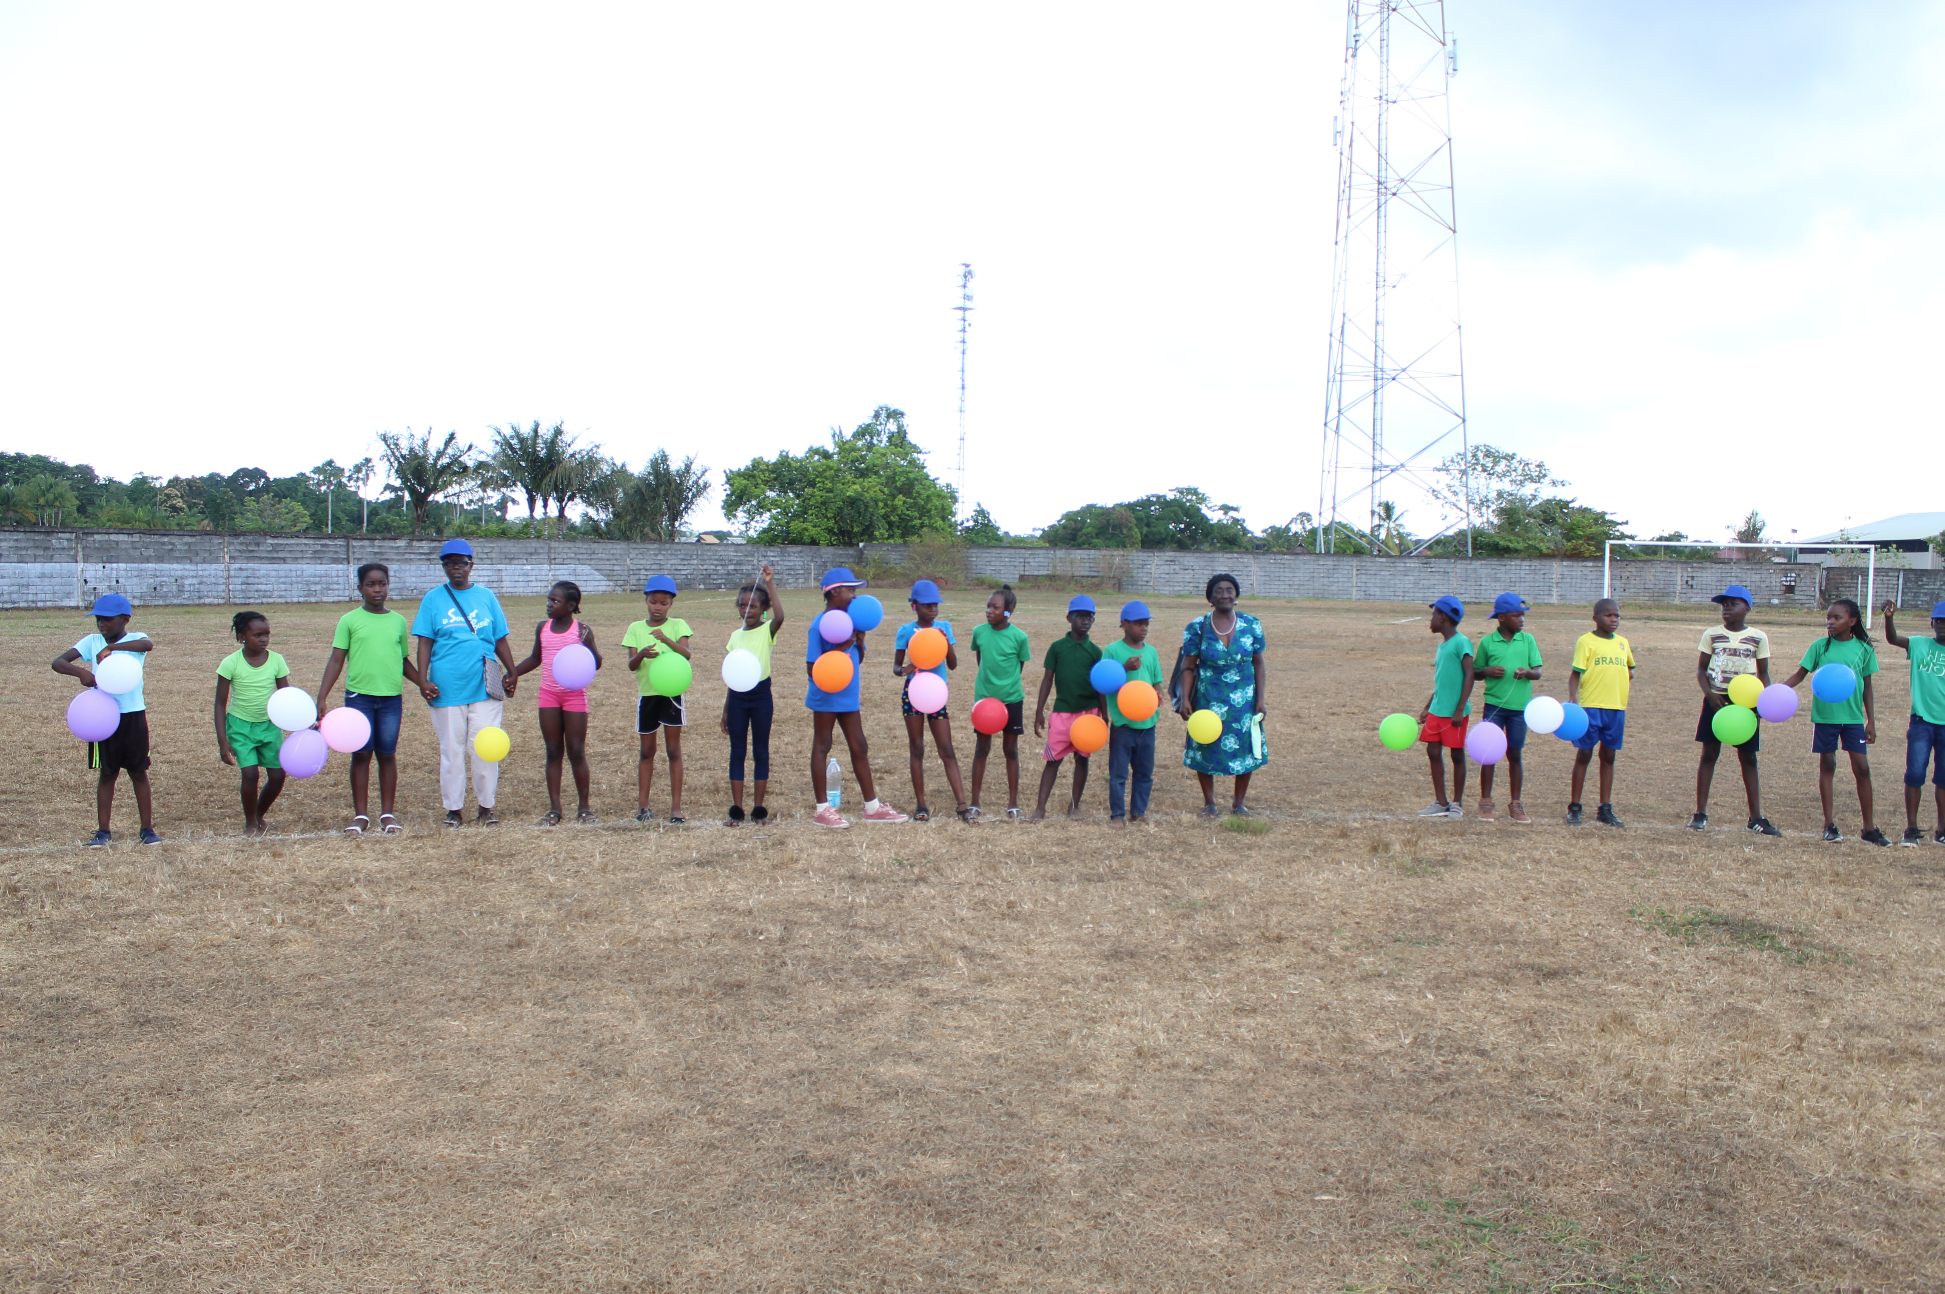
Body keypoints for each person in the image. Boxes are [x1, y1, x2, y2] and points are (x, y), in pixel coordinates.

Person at [411, 538, 518, 829]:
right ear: (443, 567)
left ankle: (486, 807)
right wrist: (423, 679)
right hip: (446, 684)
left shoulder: (486, 597)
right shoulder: (433, 599)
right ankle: (454, 810)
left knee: (484, 747)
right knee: (452, 750)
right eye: (449, 563)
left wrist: (512, 671)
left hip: (484, 684)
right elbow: (424, 641)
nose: (455, 568)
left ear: (471, 565)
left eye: (461, 562)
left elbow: (499, 638)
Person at [51, 593, 160, 846]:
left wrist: (112, 648)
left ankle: (147, 829)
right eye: (98, 618)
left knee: (138, 772)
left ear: (125, 619)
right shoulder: (91, 641)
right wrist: (80, 673)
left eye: (108, 619)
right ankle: (103, 831)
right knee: (108, 773)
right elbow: (58, 662)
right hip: (102, 717)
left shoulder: (135, 639)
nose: (101, 623)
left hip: (133, 715)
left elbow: (148, 645)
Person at [317, 563, 418, 835]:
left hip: (390, 700)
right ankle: (361, 815)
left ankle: (387, 814)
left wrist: (423, 683)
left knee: (387, 754)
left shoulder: (398, 621)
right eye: (371, 584)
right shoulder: (349, 620)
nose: (377, 589)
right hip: (359, 698)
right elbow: (336, 660)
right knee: (361, 755)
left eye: (382, 583)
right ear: (360, 588)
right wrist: (322, 696)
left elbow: (402, 660)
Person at [805, 567, 907, 827]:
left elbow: (856, 660)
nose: (854, 596)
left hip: (848, 694)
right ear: (834, 592)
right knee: (822, 745)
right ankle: (822, 809)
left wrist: (858, 643)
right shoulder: (819, 625)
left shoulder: (852, 623)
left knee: (859, 745)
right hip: (826, 696)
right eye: (850, 590)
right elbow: (812, 667)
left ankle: (872, 807)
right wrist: (843, 644)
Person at [1779, 598, 1886, 845]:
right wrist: (1776, 691)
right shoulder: (1820, 647)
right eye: (1828, 617)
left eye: (1837, 618)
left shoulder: (1864, 649)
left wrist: (1871, 721)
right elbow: (1800, 675)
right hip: (1825, 717)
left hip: (1853, 718)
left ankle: (1869, 828)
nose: (1830, 622)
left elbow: (1868, 687)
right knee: (1827, 765)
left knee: (1862, 768)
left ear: (1852, 621)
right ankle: (1829, 825)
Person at [1175, 573, 1268, 816]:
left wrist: (1260, 699)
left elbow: (1258, 663)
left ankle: (1239, 803)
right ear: (1210, 598)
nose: (1225, 595)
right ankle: (1210, 803)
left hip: (1243, 700)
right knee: (1205, 745)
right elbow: (1188, 665)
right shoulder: (1198, 627)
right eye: (1219, 591)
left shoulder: (1251, 624)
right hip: (1208, 699)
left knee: (1245, 748)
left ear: (1236, 596)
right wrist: (1185, 699)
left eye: (1229, 590)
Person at [1691, 583, 1779, 835]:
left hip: (1746, 704)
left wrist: (1763, 703)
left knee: (1749, 757)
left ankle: (1756, 818)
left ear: (1747, 608)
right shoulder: (1712, 635)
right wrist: (1710, 695)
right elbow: (1701, 670)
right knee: (1709, 754)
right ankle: (1700, 813)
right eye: (1724, 604)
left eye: (1733, 603)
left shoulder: (1758, 637)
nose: (1726, 607)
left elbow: (1763, 673)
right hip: (1716, 701)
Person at [513, 580, 601, 826]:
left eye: (555, 601)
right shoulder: (543, 628)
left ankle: (584, 808)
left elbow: (596, 663)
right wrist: (513, 673)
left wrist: (589, 645)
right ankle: (555, 809)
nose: (549, 604)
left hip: (574, 696)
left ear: (571, 606)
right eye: (549, 600)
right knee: (553, 751)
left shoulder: (581, 630)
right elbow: (535, 658)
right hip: (549, 695)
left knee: (576, 751)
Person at [892, 578, 972, 823]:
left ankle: (962, 805)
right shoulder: (907, 631)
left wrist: (945, 641)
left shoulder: (943, 628)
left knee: (946, 748)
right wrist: (904, 670)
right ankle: (921, 805)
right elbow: (896, 667)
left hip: (936, 694)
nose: (932, 609)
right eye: (927, 605)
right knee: (917, 748)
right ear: (914, 606)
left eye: (935, 605)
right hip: (914, 693)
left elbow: (953, 665)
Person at [213, 610, 293, 837]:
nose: (264, 639)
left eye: (267, 634)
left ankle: (258, 815)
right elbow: (220, 704)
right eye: (257, 635)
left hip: (269, 726)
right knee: (250, 774)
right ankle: (250, 823)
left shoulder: (276, 660)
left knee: (277, 776)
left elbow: (287, 697)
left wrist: (303, 722)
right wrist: (223, 741)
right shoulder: (230, 663)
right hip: (240, 727)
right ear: (242, 637)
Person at [624, 575, 691, 824]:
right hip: (648, 696)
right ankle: (643, 807)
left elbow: (686, 654)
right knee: (646, 751)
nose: (658, 607)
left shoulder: (678, 625)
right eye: (653, 601)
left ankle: (676, 808)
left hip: (672, 695)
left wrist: (666, 640)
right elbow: (631, 665)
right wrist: (642, 653)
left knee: (673, 750)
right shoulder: (635, 628)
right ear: (646, 601)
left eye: (663, 603)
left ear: (671, 604)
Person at [721, 565, 785, 825]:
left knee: (761, 751)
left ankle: (758, 809)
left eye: (753, 606)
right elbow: (733, 675)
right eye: (742, 605)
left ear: (763, 609)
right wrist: (726, 710)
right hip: (737, 698)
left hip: (761, 696)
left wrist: (769, 583)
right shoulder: (734, 637)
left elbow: (781, 617)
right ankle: (737, 809)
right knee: (737, 751)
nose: (747, 610)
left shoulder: (767, 630)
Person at [1031, 595, 1104, 821]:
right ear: (1069, 618)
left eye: (1089, 617)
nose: (1085, 621)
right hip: (1062, 712)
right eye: (1080, 616)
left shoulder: (1095, 652)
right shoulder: (1057, 648)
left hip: (1088, 713)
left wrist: (1104, 715)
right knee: (1053, 760)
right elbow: (1047, 679)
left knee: (1082, 759)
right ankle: (1040, 808)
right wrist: (1039, 711)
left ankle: (1074, 805)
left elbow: (1101, 686)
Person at [1472, 593, 1541, 823]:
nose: (1522, 620)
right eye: (1516, 615)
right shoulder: (1487, 642)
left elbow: (1538, 672)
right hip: (1495, 706)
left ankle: (1516, 803)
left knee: (1515, 753)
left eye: (1523, 615)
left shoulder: (1528, 640)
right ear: (1501, 618)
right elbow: (1475, 672)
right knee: (1489, 753)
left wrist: (1527, 673)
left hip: (1520, 708)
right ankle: (1486, 802)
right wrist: (1487, 671)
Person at [1882, 599, 1945, 846]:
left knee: (1943, 778)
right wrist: (1889, 618)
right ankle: (1911, 828)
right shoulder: (1920, 644)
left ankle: (1942, 830)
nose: (1942, 625)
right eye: (1938, 621)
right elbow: (1893, 639)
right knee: (1915, 772)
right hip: (1922, 721)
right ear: (1931, 623)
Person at [1567, 598, 1635, 827]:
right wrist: (1573, 697)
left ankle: (1605, 809)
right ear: (1595, 618)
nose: (1614, 619)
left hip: (1615, 708)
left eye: (1617, 615)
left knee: (1609, 756)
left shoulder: (1623, 643)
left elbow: (1630, 670)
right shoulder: (1586, 642)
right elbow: (1576, 673)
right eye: (1608, 615)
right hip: (1590, 708)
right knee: (1584, 754)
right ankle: (1574, 807)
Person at [968, 584, 1030, 819]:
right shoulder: (979, 632)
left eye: (995, 607)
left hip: (1011, 699)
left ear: (1008, 611)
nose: (989, 611)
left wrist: (1005, 687)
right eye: (988, 606)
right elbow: (981, 659)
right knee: (982, 748)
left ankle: (1013, 803)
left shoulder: (1020, 637)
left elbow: (1019, 666)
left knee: (1010, 750)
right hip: (985, 701)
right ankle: (975, 802)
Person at [1103, 600, 1164, 826]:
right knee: (1118, 774)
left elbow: (1156, 680)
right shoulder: (1113, 650)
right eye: (1139, 624)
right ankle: (1117, 815)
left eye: (1146, 624)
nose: (1144, 628)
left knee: (1144, 773)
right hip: (1123, 725)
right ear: (1124, 624)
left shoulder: (1152, 652)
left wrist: (1159, 692)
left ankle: (1138, 812)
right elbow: (1105, 682)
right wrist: (1125, 668)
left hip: (1147, 725)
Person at [1416, 595, 1474, 821]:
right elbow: (1442, 681)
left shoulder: (1461, 642)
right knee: (1432, 751)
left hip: (1454, 712)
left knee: (1456, 754)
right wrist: (1428, 706)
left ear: (1443, 617)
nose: (1430, 620)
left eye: (1433, 615)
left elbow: (1469, 676)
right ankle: (1441, 802)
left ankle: (1457, 803)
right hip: (1437, 710)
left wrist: (1459, 709)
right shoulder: (1442, 646)